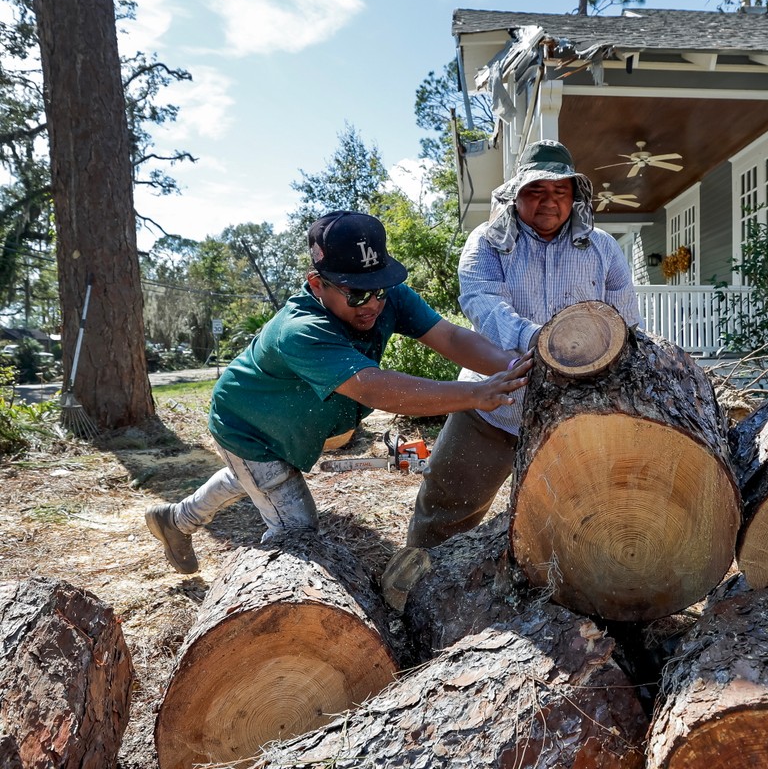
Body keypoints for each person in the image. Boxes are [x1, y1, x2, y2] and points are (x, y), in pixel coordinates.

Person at [145, 211, 530, 573]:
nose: (373, 304)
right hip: (248, 428)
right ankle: (273, 597)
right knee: (295, 530)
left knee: (246, 478)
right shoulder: (301, 330)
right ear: (317, 283)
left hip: (290, 424)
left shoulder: (382, 294)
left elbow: (448, 335)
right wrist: (476, 394)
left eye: (379, 290)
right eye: (357, 294)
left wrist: (512, 367)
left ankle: (176, 520)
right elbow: (375, 389)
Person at [406, 139, 642, 548]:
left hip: (578, 413)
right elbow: (483, 304)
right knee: (446, 506)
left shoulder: (602, 248)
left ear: (575, 197)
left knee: (583, 520)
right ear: (516, 194)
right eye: (536, 190)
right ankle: (414, 584)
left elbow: (627, 320)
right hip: (493, 404)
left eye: (559, 191)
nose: (548, 201)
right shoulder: (488, 241)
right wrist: (538, 339)